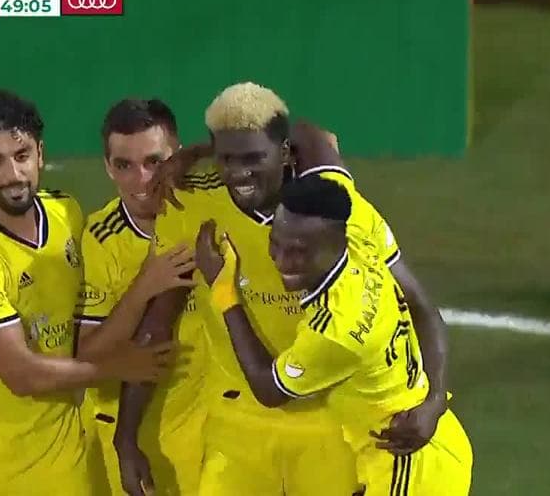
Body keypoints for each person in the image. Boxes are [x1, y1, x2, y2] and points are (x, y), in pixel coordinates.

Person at [0, 90, 175, 496]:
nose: (13, 175)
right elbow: (22, 374)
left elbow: (81, 334)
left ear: (40, 154)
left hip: (65, 458)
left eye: (21, 155)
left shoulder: (65, 214)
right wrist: (116, 368)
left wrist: (144, 289)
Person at [117, 82, 364, 496]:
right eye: (226, 159)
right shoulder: (189, 205)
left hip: (329, 420)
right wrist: (126, 438)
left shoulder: (326, 204)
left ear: (284, 153)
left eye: (253, 158)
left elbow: (313, 134)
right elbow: (157, 327)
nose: (237, 173)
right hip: (237, 425)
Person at [194, 174, 473, 495]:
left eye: (298, 252)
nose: (281, 260)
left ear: (336, 242)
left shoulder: (336, 332)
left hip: (405, 464)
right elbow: (320, 147)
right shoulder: (359, 231)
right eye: (275, 243)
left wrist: (224, 291)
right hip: (422, 439)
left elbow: (268, 389)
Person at [76, 98, 209, 495]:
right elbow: (88, 353)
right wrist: (145, 286)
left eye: (154, 162)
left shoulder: (209, 211)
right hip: (130, 432)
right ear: (107, 167)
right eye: (124, 166)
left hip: (211, 423)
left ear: (177, 156)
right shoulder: (99, 240)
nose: (143, 180)